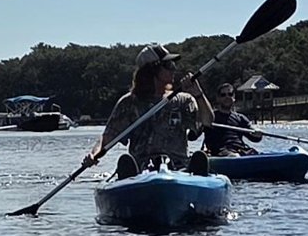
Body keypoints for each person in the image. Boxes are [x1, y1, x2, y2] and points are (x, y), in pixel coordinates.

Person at [83, 44, 213, 178]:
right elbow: (107, 137)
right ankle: (128, 176)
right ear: (152, 70)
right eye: (168, 65)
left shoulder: (183, 100)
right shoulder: (129, 103)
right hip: (142, 169)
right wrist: (94, 154)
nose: (174, 70)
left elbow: (208, 121)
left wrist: (199, 94)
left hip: (178, 167)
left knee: (195, 160)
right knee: (128, 163)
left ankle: (195, 173)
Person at [203, 83, 264, 156]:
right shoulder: (210, 117)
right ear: (218, 98)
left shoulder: (240, 118)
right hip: (220, 151)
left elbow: (254, 137)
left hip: (240, 150)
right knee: (234, 156)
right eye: (223, 95)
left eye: (230, 94)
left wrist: (257, 133)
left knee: (255, 154)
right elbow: (193, 136)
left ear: (234, 97)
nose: (227, 97)